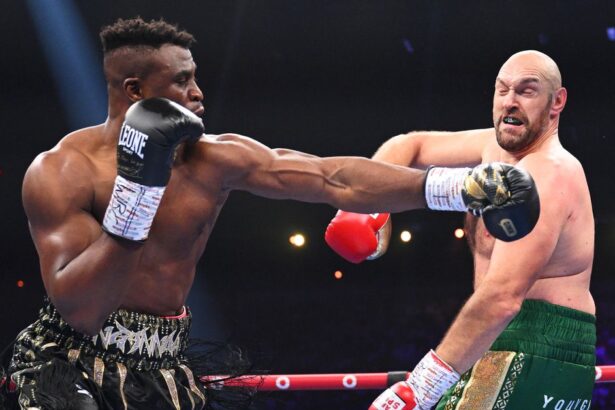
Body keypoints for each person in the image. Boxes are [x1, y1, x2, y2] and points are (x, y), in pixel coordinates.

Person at [0, 18, 538, 410]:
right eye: (182, 80)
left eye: (196, 76)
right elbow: (81, 309)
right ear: (135, 91)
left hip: (164, 364)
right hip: (70, 365)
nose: (198, 93)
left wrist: (458, 187)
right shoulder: (63, 171)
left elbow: (332, 178)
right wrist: (138, 192)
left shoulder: (213, 158)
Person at [327, 50, 596, 409]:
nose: (510, 102)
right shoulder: (493, 149)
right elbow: (409, 145)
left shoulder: (547, 173)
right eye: (502, 90)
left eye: (526, 91)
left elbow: (502, 296)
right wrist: (367, 210)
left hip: (537, 341)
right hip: (501, 338)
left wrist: (419, 389)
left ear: (556, 101)